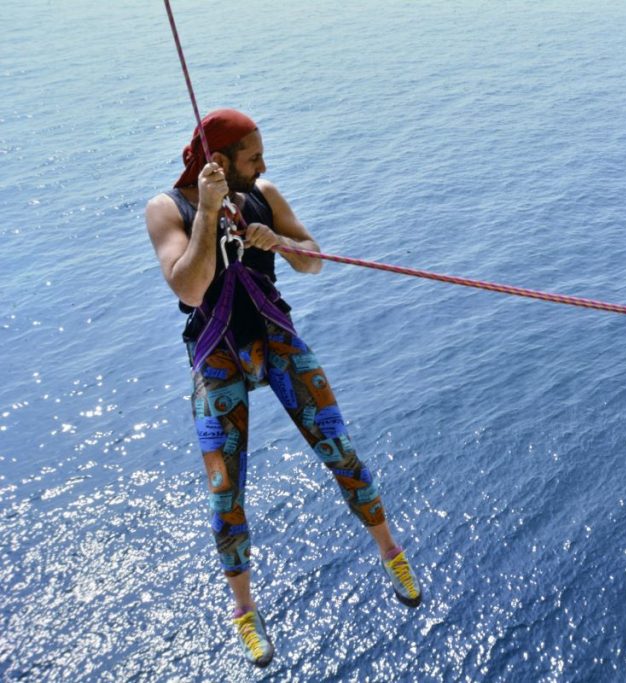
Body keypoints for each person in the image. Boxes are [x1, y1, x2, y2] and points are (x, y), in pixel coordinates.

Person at [146, 109, 422, 668]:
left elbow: (312, 261)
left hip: (273, 336)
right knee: (226, 493)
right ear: (219, 160)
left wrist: (279, 243)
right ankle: (245, 612)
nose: (264, 166)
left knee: (340, 450)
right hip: (218, 352)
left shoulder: (262, 195)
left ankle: (391, 552)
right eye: (253, 157)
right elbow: (192, 289)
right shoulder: (167, 209)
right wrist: (207, 212)